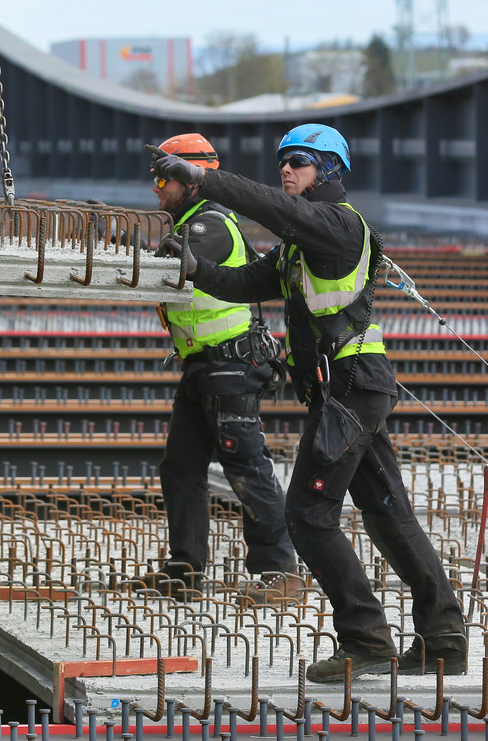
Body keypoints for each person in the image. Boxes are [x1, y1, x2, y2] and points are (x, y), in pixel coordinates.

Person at [148, 123, 465, 682]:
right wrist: (195, 269)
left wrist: (205, 179)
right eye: (283, 164)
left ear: (330, 170)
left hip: (350, 388)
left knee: (308, 515)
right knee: (388, 512)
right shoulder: (302, 245)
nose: (286, 171)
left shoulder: (337, 226)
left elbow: (276, 210)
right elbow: (245, 282)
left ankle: (366, 639)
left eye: (298, 162)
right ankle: (442, 639)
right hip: (347, 390)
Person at [134, 132, 302, 607]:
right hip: (202, 368)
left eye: (164, 179)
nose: (157, 190)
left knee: (246, 466)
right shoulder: (191, 221)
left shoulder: (212, 224)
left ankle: (280, 571)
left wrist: (119, 247)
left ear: (191, 180)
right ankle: (184, 570)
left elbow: (168, 261)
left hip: (231, 365)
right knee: (181, 467)